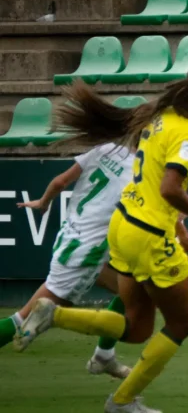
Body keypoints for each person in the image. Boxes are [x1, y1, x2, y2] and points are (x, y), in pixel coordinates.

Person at [15, 60, 188, 413]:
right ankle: (122, 400)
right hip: (149, 236)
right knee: (182, 324)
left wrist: (184, 234)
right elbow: (170, 188)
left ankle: (58, 318)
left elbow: (154, 184)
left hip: (123, 226)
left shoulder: (161, 115)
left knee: (137, 326)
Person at [0, 143, 138, 379]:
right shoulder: (139, 173)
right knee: (24, 319)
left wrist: (43, 202)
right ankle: (102, 356)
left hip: (69, 237)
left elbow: (59, 182)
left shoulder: (105, 149)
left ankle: (104, 357)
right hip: (85, 254)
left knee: (132, 290)